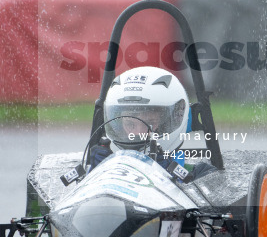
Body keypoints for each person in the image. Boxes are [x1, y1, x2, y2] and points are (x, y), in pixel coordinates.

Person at [87, 66, 215, 181]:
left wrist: (165, 173)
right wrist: (94, 175)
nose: (137, 133)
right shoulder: (101, 165)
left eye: (150, 123)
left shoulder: (200, 175)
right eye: (130, 125)